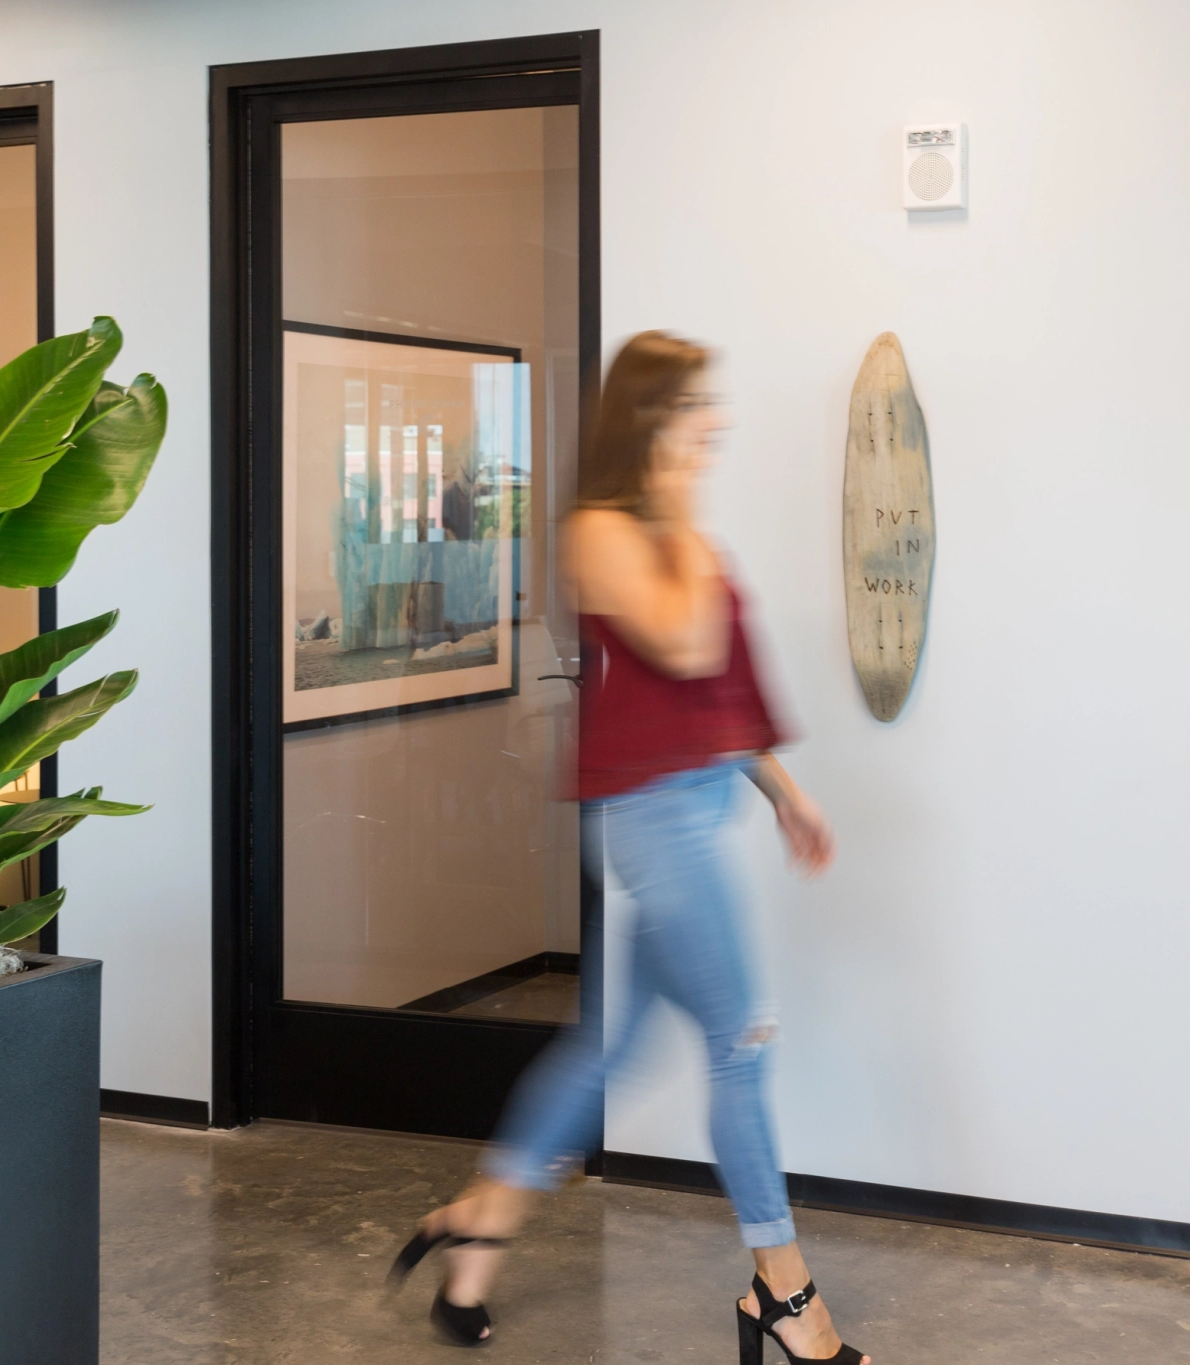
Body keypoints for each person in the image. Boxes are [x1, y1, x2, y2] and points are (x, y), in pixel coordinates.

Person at [388, 331, 868, 1365]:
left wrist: (784, 793)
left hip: (694, 807)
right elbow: (687, 642)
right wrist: (683, 511)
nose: (716, 422)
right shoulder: (600, 530)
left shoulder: (665, 530)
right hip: (652, 823)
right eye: (698, 404)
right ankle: (785, 1299)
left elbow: (714, 697)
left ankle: (474, 1233)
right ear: (650, 415)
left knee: (603, 1051)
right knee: (740, 1042)